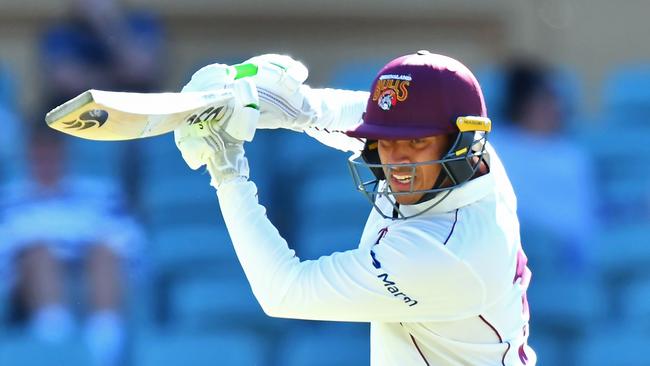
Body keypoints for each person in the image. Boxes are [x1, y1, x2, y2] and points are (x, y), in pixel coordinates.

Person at [173, 52, 535, 365]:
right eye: (386, 142)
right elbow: (362, 115)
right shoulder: (472, 157)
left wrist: (227, 170)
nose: (397, 162)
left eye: (417, 142)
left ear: (460, 143)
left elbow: (283, 291)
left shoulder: (446, 253)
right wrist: (290, 105)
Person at [0, 128, 144, 366]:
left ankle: (104, 351)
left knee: (104, 256)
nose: (46, 163)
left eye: (51, 155)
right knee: (40, 256)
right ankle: (57, 344)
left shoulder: (101, 193)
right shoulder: (8, 200)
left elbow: (130, 240)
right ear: (28, 158)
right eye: (39, 157)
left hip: (91, 270)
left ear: (65, 156)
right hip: (29, 277)